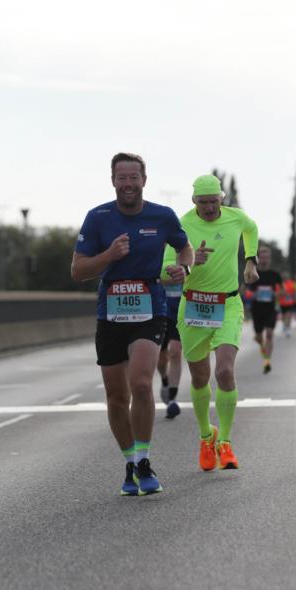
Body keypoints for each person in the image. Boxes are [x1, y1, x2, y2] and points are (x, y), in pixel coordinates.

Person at [71, 153, 192, 496]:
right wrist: (108, 256)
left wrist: (185, 269)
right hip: (110, 311)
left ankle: (143, 460)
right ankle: (128, 460)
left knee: (141, 384)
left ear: (144, 180)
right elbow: (78, 271)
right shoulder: (98, 218)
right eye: (121, 178)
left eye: (133, 177)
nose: (128, 184)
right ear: (113, 181)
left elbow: (185, 249)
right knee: (116, 396)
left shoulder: (163, 216)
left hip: (149, 307)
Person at [176, 174, 259, 472]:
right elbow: (163, 268)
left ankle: (225, 441)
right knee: (199, 378)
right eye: (203, 202)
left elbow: (251, 229)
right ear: (193, 201)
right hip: (194, 306)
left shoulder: (236, 218)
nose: (209, 208)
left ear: (222, 198)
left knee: (224, 371)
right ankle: (205, 436)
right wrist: (188, 262)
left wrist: (251, 261)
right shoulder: (181, 226)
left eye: (214, 201)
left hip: (228, 304)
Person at [158, 244, 185, 419]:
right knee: (160, 358)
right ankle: (165, 380)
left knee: (175, 352)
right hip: (160, 310)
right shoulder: (157, 253)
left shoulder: (188, 254)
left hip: (180, 310)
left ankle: (173, 399)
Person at [249, 245, 282, 373]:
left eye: (267, 257)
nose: (264, 260)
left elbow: (283, 291)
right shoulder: (253, 273)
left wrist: (276, 294)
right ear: (258, 259)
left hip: (270, 309)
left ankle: (267, 361)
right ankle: (260, 343)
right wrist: (252, 294)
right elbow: (243, 290)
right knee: (259, 337)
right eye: (262, 257)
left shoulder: (274, 275)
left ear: (270, 259)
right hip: (256, 310)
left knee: (269, 334)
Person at [277, 271, 296, 337]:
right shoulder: (279, 284)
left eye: (286, 276)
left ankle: (288, 329)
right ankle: (284, 325)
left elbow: (294, 292)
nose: (285, 277)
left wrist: (294, 298)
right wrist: (281, 294)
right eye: (283, 276)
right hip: (282, 303)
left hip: (290, 302)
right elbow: (277, 293)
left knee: (288, 316)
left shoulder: (291, 283)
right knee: (284, 317)